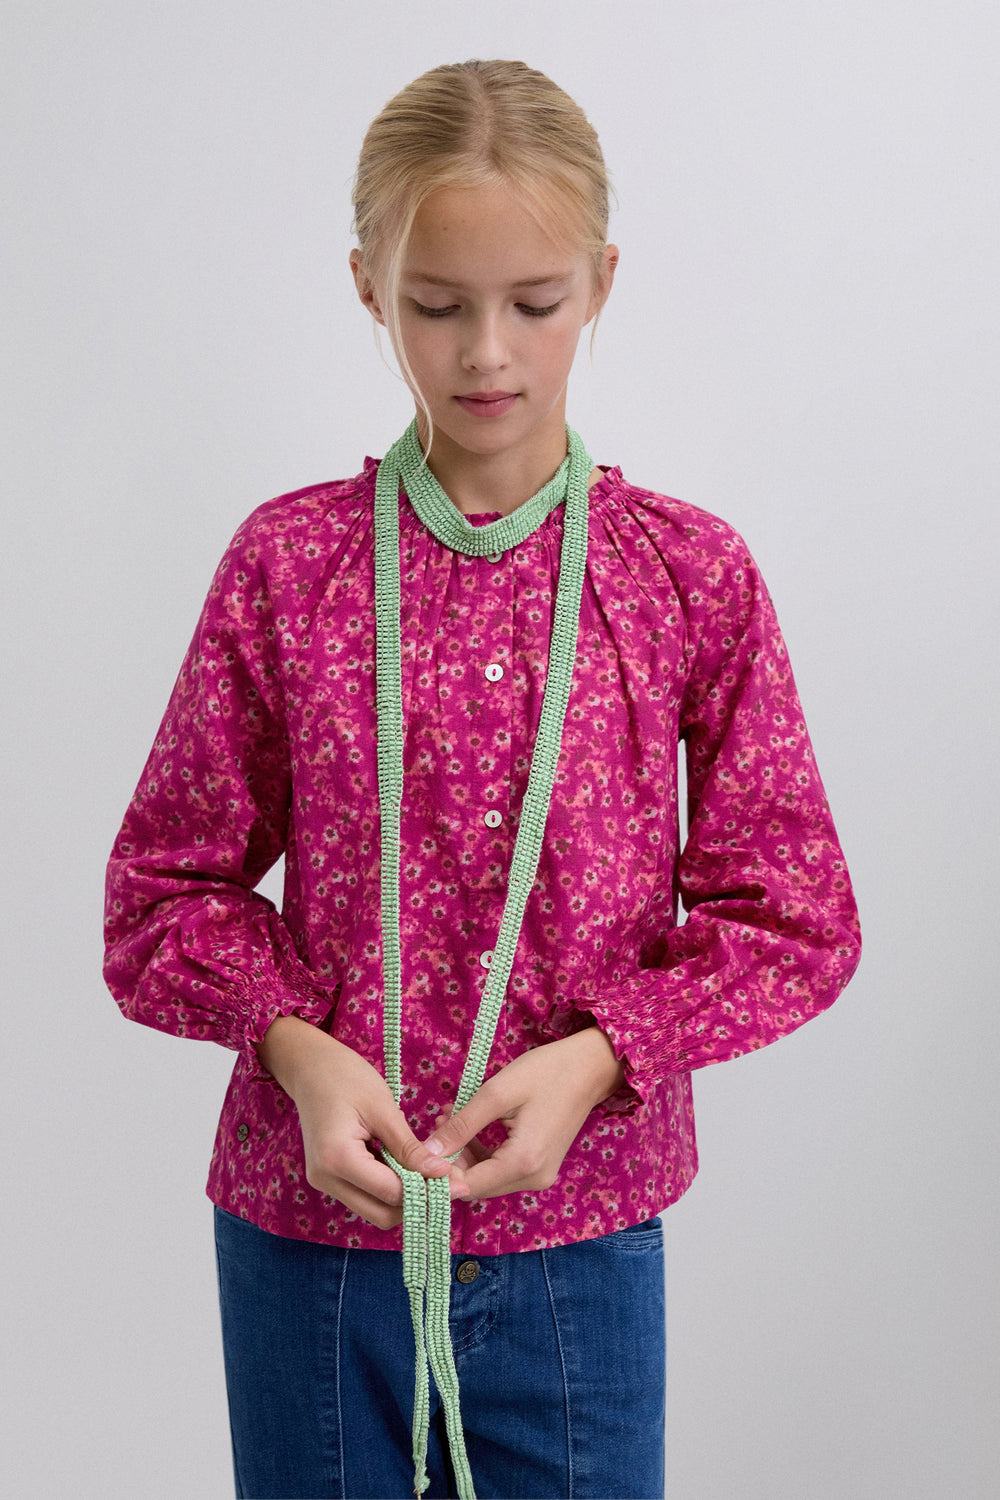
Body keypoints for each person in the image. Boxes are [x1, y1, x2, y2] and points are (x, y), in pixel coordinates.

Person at [103, 58, 861, 1500]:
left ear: (604, 283)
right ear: (368, 288)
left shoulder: (687, 578)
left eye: (537, 302)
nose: (487, 354)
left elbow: (797, 912)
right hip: (309, 1249)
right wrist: (297, 1049)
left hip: (583, 1245)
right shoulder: (289, 568)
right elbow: (160, 893)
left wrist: (603, 1057)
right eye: (438, 306)